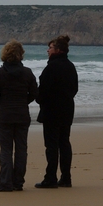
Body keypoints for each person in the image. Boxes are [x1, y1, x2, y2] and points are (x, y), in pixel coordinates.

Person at [0, 40, 38, 192]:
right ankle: (18, 182)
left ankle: (5, 182)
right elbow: (34, 94)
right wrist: (23, 102)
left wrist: (1, 103)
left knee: (6, 150)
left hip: (5, 114)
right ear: (20, 54)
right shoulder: (28, 73)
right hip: (22, 114)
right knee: (21, 149)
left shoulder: (0, 73)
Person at [35, 35, 78, 189]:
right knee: (64, 143)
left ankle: (51, 178)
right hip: (67, 109)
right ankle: (66, 177)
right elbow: (75, 88)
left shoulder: (51, 67)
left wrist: (39, 99)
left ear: (57, 50)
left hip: (52, 110)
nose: (48, 50)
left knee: (52, 145)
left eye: (50, 47)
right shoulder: (70, 66)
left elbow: (43, 91)